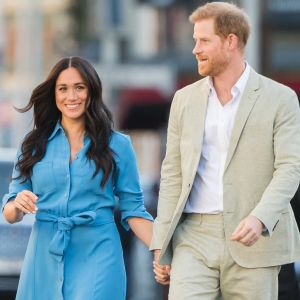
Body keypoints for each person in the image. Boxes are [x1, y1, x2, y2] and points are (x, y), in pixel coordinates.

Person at [151, 2, 300, 300]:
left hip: (254, 239)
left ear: (231, 41)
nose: (195, 49)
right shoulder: (183, 100)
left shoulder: (281, 98)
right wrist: (160, 244)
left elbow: (290, 168)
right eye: (195, 40)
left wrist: (260, 218)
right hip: (192, 236)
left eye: (204, 40)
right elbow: (172, 174)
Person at [2, 56, 153, 300]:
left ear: (91, 91)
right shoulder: (32, 145)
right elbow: (9, 211)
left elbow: (134, 210)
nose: (71, 96)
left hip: (99, 253)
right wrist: (17, 204)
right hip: (44, 255)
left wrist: (161, 249)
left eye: (79, 87)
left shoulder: (118, 145)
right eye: (63, 89)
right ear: (54, 94)